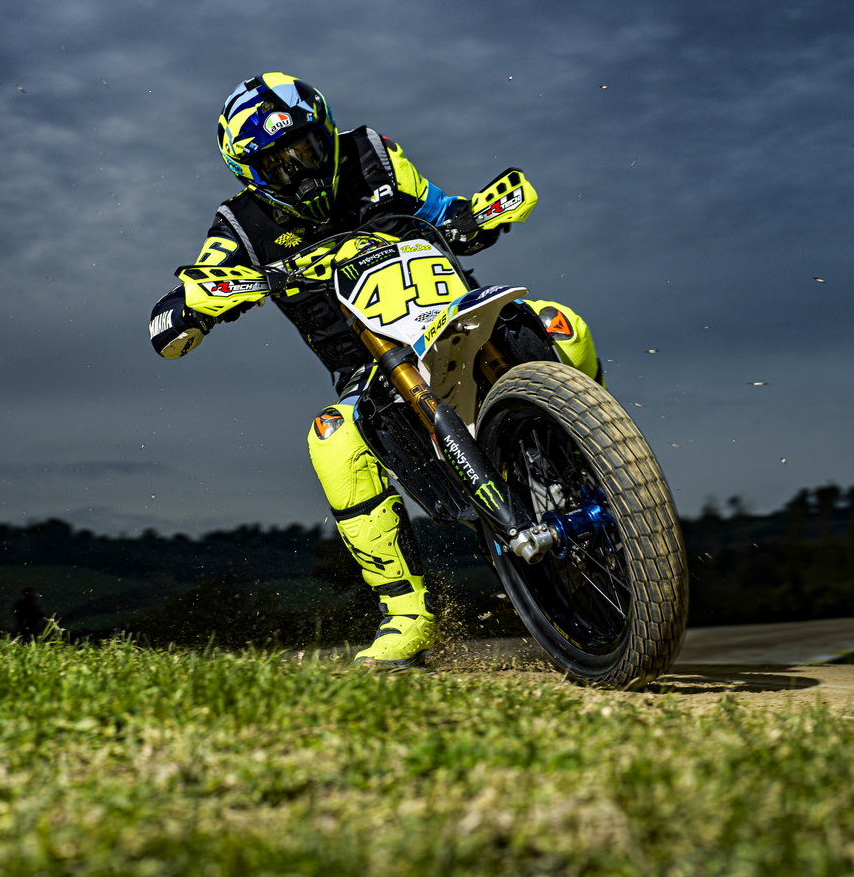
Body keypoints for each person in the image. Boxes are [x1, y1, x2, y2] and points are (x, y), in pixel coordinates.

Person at [148, 73, 602, 668]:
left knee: (564, 323)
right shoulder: (238, 228)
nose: (302, 169)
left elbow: (444, 210)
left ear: (326, 131)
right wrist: (190, 310)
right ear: (251, 172)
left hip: (456, 318)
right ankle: (409, 615)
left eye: (307, 148)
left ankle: (596, 468)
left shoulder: (374, 156)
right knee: (330, 440)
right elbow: (179, 308)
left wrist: (472, 218)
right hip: (370, 372)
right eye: (280, 163)